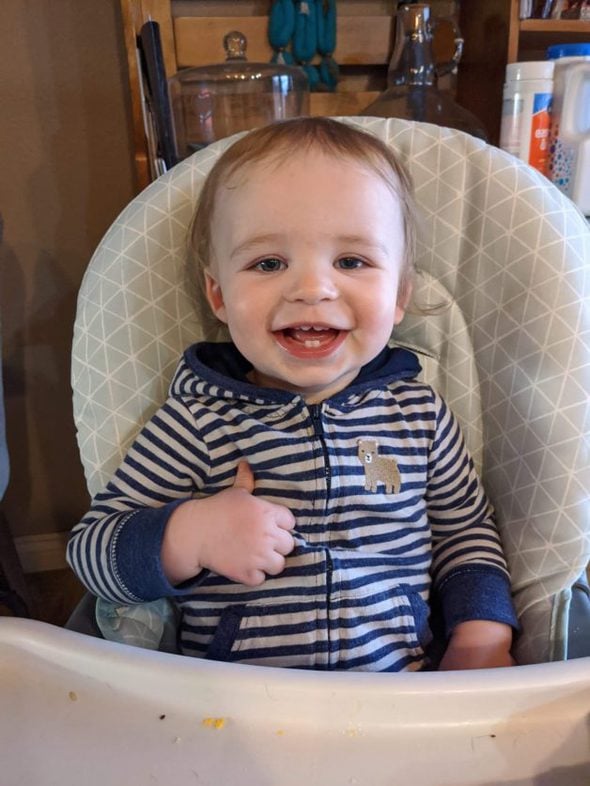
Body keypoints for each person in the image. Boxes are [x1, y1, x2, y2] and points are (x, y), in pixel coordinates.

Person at [67, 117, 518, 672]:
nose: (311, 289)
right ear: (219, 295)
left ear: (400, 294)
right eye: (268, 263)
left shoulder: (419, 416)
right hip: (238, 717)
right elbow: (92, 553)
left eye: (351, 261)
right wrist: (189, 536)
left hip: (402, 699)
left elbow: (466, 534)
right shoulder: (198, 423)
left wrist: (482, 637)